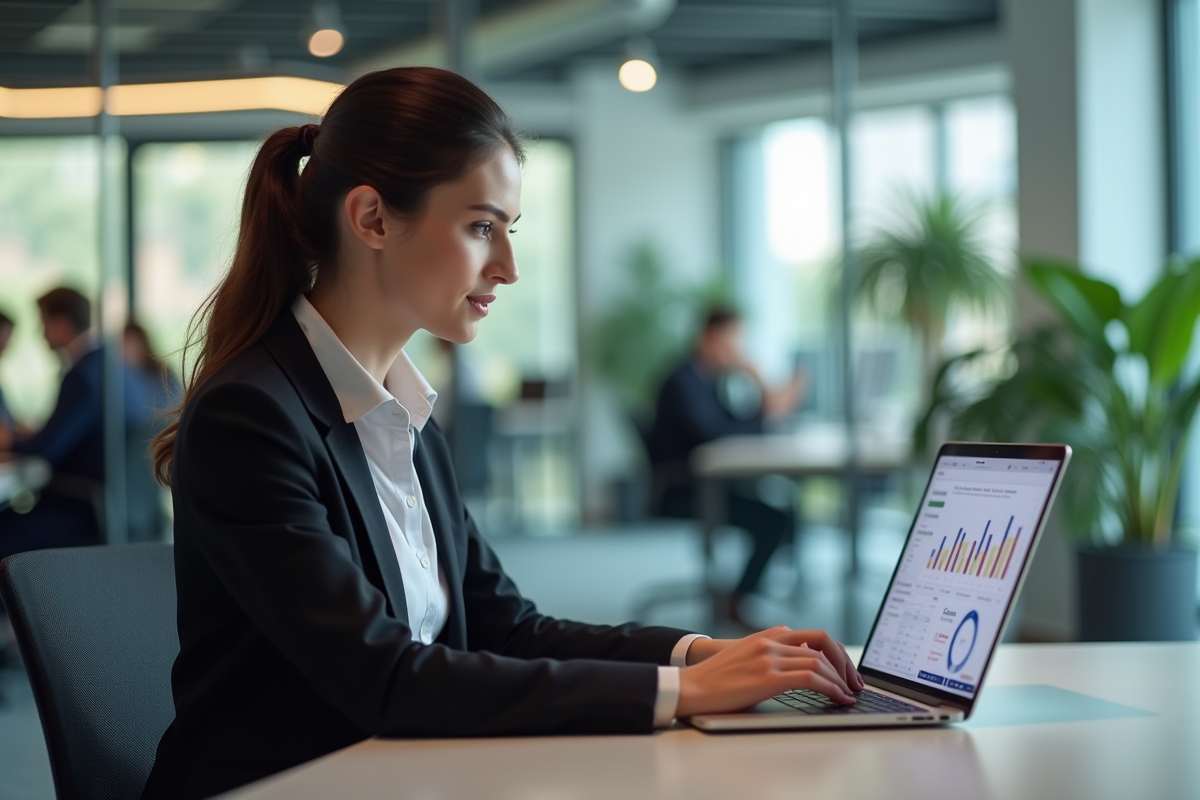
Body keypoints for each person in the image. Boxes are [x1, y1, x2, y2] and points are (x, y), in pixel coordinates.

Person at [140, 67, 861, 800]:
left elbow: (508, 629)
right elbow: (385, 680)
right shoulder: (253, 416)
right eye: (481, 227)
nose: (508, 268)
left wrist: (707, 652)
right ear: (373, 219)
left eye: (509, 231)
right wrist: (684, 691)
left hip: (403, 773)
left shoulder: (406, 415)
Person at [645, 305, 805, 627]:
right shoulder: (682, 381)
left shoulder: (705, 379)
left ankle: (737, 597)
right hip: (685, 491)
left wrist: (760, 393)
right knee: (774, 521)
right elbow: (714, 435)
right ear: (708, 337)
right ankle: (735, 600)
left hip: (707, 484)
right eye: (730, 344)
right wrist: (761, 390)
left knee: (784, 513)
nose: (736, 353)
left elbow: (732, 423)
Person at [0, 288, 151, 554]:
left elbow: (44, 450)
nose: (40, 334)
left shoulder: (84, 376)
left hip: (81, 509)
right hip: (121, 508)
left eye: (42, 324)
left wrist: (10, 439)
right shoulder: (117, 367)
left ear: (60, 325)